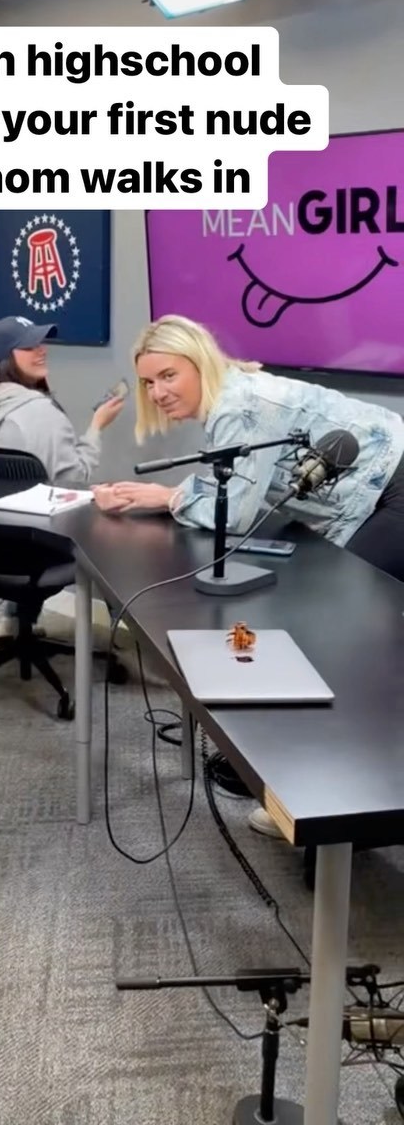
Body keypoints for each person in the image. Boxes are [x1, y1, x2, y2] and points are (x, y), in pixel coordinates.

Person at [93, 314, 404, 837]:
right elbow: (241, 481)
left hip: (394, 488)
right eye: (148, 382)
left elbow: (236, 512)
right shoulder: (232, 394)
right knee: (336, 632)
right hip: (376, 494)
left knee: (345, 635)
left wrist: (168, 497)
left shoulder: (239, 406)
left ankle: (340, 807)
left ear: (200, 363)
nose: (158, 392)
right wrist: (170, 496)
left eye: (168, 375)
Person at [0, 315, 124, 485]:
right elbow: (73, 480)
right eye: (29, 347)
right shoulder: (40, 412)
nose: (42, 350)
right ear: (7, 359)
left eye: (39, 343)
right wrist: (96, 427)